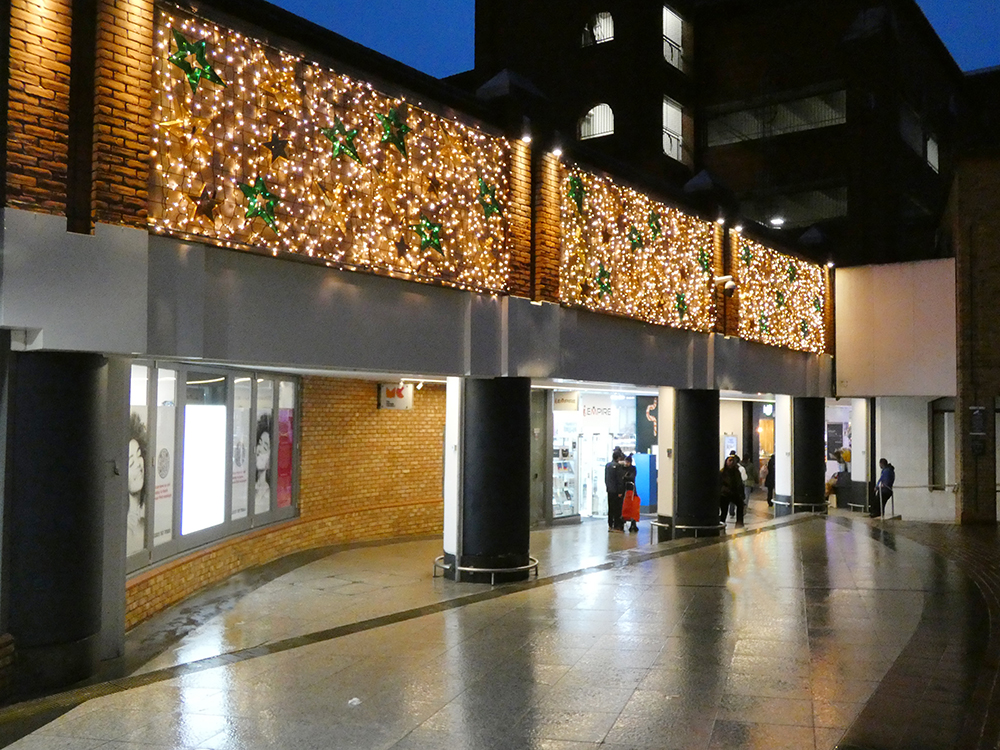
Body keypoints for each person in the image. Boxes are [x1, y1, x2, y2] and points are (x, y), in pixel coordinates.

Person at [126, 412, 149, 556]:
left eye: (139, 456)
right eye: (130, 462)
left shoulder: (144, 526)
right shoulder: (119, 530)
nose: (138, 465)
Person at [604, 447, 626, 532]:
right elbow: (619, 480)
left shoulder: (608, 465)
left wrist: (608, 487)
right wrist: (620, 491)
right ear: (618, 458)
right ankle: (616, 525)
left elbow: (606, 478)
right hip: (616, 491)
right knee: (617, 508)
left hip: (610, 490)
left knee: (610, 508)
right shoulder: (618, 467)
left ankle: (610, 524)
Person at [720, 454, 745, 527]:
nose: (731, 462)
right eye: (729, 460)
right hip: (725, 494)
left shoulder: (736, 472)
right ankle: (722, 523)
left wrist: (742, 494)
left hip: (734, 493)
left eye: (732, 461)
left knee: (740, 505)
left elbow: (740, 483)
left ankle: (739, 522)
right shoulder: (722, 472)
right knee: (724, 510)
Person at [255, 412, 272, 511]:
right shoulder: (250, 485)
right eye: (259, 443)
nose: (259, 450)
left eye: (265, 447)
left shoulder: (267, 494)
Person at [622, 454, 639, 532]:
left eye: (627, 462)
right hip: (625, 491)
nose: (626, 463)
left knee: (633, 507)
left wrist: (625, 477)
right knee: (625, 507)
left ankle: (633, 523)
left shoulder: (633, 469)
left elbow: (632, 477)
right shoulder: (622, 468)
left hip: (631, 491)